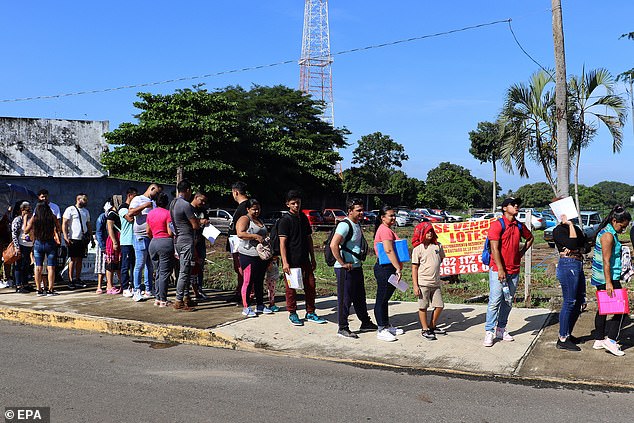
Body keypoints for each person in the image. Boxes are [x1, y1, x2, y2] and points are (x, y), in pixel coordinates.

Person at [483, 197, 533, 347]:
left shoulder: (519, 225)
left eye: (518, 204)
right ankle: (489, 331)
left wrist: (521, 252)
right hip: (498, 270)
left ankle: (501, 329)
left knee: (508, 301)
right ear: (505, 208)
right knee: (494, 301)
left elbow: (530, 238)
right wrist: (500, 269)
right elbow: (494, 248)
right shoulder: (497, 225)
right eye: (513, 204)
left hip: (514, 270)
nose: (516, 206)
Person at [329, 198, 376, 339]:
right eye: (358, 210)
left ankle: (365, 322)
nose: (362, 212)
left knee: (359, 297)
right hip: (345, 269)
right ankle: (342, 327)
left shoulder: (357, 224)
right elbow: (333, 245)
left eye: (362, 210)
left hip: (356, 266)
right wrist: (342, 263)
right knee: (345, 299)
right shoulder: (345, 225)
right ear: (350, 211)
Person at [279, 190, 326, 326]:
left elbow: (308, 238)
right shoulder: (285, 220)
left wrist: (313, 257)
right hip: (291, 261)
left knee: (310, 286)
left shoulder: (303, 218)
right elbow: (282, 243)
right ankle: (292, 313)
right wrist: (285, 262)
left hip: (304, 258)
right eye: (293, 203)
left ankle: (310, 312)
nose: (296, 205)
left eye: (298, 203)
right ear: (287, 204)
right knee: (291, 288)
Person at [590, 205, 631, 357]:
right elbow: (606, 261)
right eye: (622, 226)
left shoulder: (607, 231)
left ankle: (599, 339)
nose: (623, 229)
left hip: (601, 277)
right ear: (615, 220)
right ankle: (611, 340)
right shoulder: (608, 235)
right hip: (607, 278)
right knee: (621, 309)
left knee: (603, 308)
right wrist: (609, 283)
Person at [552, 213, 587, 351]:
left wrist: (576, 247)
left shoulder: (576, 229)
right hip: (568, 264)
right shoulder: (558, 230)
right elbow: (572, 243)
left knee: (579, 301)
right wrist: (570, 226)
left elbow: (585, 245)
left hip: (577, 263)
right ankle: (562, 337)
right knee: (569, 301)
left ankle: (567, 333)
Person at [373, 206, 405, 342]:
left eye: (394, 215)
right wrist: (398, 268)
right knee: (381, 299)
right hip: (385, 268)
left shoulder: (386, 229)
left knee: (384, 299)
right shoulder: (385, 230)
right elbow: (388, 250)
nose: (393, 218)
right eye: (390, 215)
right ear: (382, 217)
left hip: (388, 268)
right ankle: (381, 329)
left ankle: (386, 325)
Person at [127, 183, 162, 302]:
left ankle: (148, 289)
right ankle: (136, 289)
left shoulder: (154, 202)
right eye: (156, 193)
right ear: (151, 189)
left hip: (150, 236)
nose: (156, 196)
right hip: (140, 236)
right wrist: (144, 206)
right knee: (140, 263)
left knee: (149, 264)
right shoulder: (138, 199)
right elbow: (130, 213)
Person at [411, 221, 446, 341]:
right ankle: (425, 329)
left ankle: (432, 325)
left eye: (431, 231)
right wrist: (415, 285)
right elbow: (414, 268)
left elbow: (440, 259)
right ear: (422, 233)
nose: (430, 233)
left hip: (435, 283)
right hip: (423, 283)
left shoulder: (438, 246)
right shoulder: (418, 249)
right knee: (423, 306)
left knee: (440, 305)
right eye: (427, 231)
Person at [236, 199, 271, 317]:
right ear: (248, 209)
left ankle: (260, 305)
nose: (256, 211)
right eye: (254, 209)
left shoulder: (259, 220)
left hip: (260, 256)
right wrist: (255, 236)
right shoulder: (244, 219)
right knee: (248, 281)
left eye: (258, 209)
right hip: (248, 255)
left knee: (259, 280)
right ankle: (246, 307)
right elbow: (240, 233)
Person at [171, 179, 199, 311]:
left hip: (178, 239)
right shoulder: (185, 205)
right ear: (188, 190)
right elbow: (195, 224)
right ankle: (179, 300)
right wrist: (201, 222)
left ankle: (186, 297)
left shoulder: (173, 203)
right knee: (184, 271)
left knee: (185, 270)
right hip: (186, 239)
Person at [24, 202, 62, 296]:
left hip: (38, 243)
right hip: (50, 243)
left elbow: (26, 230)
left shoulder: (35, 218)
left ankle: (39, 289)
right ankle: (50, 289)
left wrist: (26, 221)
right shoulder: (52, 217)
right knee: (51, 267)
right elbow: (58, 227)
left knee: (38, 267)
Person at [147, 192, 174, 307]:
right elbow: (170, 232)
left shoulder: (150, 213)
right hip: (165, 242)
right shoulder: (168, 214)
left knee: (157, 271)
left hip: (153, 242)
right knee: (164, 272)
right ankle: (163, 299)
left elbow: (148, 231)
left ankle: (157, 297)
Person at [62, 194, 93, 289]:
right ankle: (71, 280)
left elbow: (88, 224)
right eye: (84, 200)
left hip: (82, 238)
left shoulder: (86, 211)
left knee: (80, 259)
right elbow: (64, 223)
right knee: (72, 259)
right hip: (73, 238)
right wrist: (65, 236)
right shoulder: (70, 209)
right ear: (78, 199)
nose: (86, 201)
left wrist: (91, 237)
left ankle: (77, 278)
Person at [228, 181, 249, 303]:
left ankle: (245, 292)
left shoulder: (245, 206)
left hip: (240, 242)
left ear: (235, 192)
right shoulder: (241, 206)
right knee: (238, 268)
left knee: (242, 268)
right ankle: (240, 290)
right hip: (234, 242)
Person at [118, 188, 138, 297]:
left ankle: (134, 285)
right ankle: (125, 287)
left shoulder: (133, 208)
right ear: (130, 195)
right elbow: (130, 219)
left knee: (134, 265)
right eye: (134, 196)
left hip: (135, 240)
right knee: (125, 265)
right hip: (126, 241)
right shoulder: (123, 208)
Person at [190, 192, 209, 300]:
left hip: (201, 241)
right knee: (190, 267)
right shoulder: (189, 209)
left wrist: (206, 222)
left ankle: (199, 289)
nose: (203, 203)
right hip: (191, 241)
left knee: (200, 265)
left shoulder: (203, 210)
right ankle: (190, 290)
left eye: (204, 201)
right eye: (201, 200)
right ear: (196, 197)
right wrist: (199, 221)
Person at [11, 202, 34, 293]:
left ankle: (25, 283)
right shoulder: (18, 220)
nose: (29, 212)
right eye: (27, 210)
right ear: (22, 210)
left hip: (28, 245)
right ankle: (18, 285)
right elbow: (14, 234)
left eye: (30, 210)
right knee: (19, 265)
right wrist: (17, 247)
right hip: (21, 245)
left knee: (26, 265)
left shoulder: (29, 220)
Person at [104, 196, 123, 294]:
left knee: (119, 264)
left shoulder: (118, 213)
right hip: (113, 240)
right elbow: (110, 229)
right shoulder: (111, 214)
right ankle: (109, 286)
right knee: (110, 264)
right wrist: (115, 242)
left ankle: (122, 284)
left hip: (120, 239)